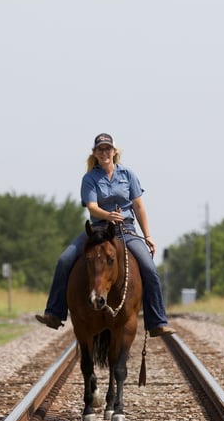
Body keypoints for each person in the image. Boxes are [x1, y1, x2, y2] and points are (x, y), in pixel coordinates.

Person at [36, 132, 175, 337]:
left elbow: (138, 206)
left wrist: (148, 235)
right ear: (95, 153)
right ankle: (55, 313)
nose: (104, 152)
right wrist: (108, 215)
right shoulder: (90, 178)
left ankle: (156, 321)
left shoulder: (128, 174)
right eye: (100, 149)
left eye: (107, 148)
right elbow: (91, 207)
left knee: (150, 269)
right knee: (65, 260)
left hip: (126, 230)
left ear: (114, 151)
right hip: (98, 231)